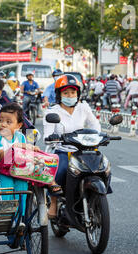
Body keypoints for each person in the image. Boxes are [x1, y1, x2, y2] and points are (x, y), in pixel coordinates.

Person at [43, 74, 101, 218]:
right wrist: (52, 137)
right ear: (59, 94)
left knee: (100, 168)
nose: (70, 95)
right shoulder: (52, 111)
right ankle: (54, 203)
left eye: (73, 92)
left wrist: (99, 135)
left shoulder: (83, 108)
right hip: (63, 151)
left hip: (83, 150)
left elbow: (95, 125)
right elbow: (47, 134)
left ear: (78, 94)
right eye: (66, 93)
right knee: (60, 171)